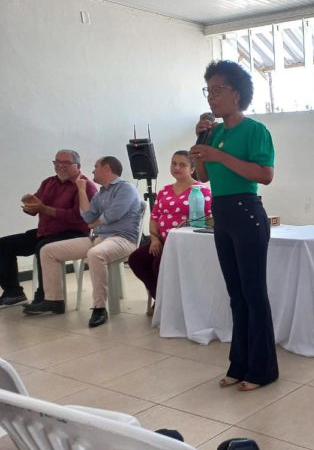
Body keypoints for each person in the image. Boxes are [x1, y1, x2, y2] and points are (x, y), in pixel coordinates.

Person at [190, 60, 278, 391]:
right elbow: (204, 177)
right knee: (236, 295)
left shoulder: (255, 130)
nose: (211, 97)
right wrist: (200, 150)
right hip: (222, 213)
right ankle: (239, 364)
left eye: (218, 90)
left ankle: (263, 370)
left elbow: (265, 175)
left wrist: (219, 156)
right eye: (208, 91)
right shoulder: (213, 133)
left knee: (254, 294)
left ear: (237, 94)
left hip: (247, 212)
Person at [23, 156, 142, 328]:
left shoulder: (126, 188)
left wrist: (95, 223)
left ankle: (99, 308)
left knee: (95, 254)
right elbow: (87, 216)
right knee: (47, 250)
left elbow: (113, 214)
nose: (92, 170)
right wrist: (81, 190)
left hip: (122, 239)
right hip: (98, 238)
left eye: (96, 166)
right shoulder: (101, 193)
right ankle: (54, 300)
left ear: (107, 168)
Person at [0, 149, 97, 307]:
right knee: (3, 245)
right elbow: (37, 207)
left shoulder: (85, 186)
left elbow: (80, 217)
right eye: (57, 162)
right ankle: (13, 293)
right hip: (46, 232)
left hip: (74, 233)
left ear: (78, 166)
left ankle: (46, 297)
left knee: (43, 247)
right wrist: (29, 205)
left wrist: (44, 208)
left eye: (66, 163)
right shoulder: (48, 182)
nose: (60, 166)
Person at [128, 150, 211, 315]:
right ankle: (160, 299)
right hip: (161, 240)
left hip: (183, 243)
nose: (176, 167)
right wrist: (154, 239)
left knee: (158, 265)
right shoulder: (164, 190)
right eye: (174, 163)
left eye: (182, 165)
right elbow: (154, 217)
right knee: (136, 260)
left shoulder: (201, 191)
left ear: (192, 169)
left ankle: (170, 306)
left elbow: (207, 220)